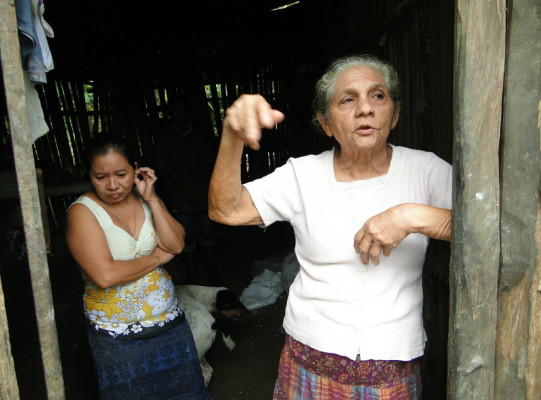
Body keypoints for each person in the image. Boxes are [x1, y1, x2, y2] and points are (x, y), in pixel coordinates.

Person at [208, 54, 452, 399]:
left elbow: (492, 226)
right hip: (309, 360)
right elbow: (226, 210)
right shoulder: (303, 175)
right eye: (348, 99)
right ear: (325, 124)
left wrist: (412, 216)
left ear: (394, 115)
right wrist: (232, 136)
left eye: (378, 96)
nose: (365, 109)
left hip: (391, 367)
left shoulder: (425, 170)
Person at [65, 133, 213, 399]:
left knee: (185, 393)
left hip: (170, 326)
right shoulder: (83, 212)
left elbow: (177, 244)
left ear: (136, 170)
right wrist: (157, 257)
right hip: (119, 337)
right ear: (89, 175)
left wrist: (153, 198)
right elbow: (105, 275)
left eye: (121, 174)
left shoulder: (145, 200)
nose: (112, 185)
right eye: (101, 177)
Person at [154, 95, 221, 284]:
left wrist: (188, 182)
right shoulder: (165, 137)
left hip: (201, 192)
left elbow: (208, 160)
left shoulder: (200, 134)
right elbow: (164, 165)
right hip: (179, 196)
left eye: (182, 110)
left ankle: (211, 268)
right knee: (185, 234)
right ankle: (191, 271)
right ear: (171, 114)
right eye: (176, 111)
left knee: (208, 231)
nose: (179, 114)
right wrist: (183, 187)